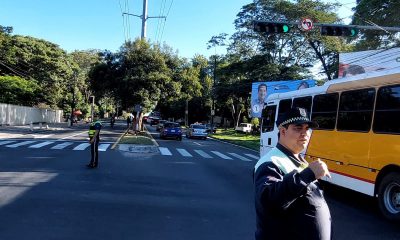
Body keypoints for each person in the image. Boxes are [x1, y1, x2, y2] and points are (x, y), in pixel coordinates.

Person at [253, 107, 332, 240]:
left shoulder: (297, 158)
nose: (305, 133)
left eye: (307, 128)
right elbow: (268, 202)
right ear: (283, 131)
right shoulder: (270, 162)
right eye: (298, 128)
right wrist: (308, 174)